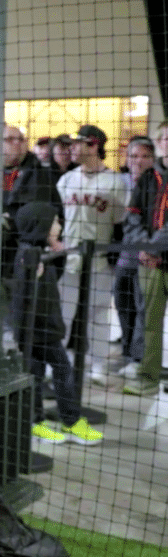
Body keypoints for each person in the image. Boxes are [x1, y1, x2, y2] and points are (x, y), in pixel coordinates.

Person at [12, 203, 103, 444]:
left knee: (38, 374)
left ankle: (37, 422)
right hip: (37, 331)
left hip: (42, 329)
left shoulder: (40, 251)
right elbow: (24, 294)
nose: (59, 226)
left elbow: (53, 281)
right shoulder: (29, 256)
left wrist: (57, 253)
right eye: (55, 222)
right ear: (40, 225)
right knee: (60, 371)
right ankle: (70, 421)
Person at [56, 124, 129, 386]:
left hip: (100, 262)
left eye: (78, 143)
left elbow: (121, 222)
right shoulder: (66, 180)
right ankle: (59, 367)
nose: (72, 148)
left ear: (94, 145)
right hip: (68, 260)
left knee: (97, 317)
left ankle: (98, 367)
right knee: (62, 317)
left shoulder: (115, 183)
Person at [0, 125, 61, 342]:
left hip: (24, 256)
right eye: (9, 139)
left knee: (26, 321)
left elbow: (42, 217)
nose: (17, 143)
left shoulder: (37, 173)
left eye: (20, 139)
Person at [123, 131, 168, 396]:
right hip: (150, 264)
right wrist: (144, 248)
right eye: (164, 137)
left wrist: (154, 247)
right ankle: (148, 377)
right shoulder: (149, 178)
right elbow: (132, 216)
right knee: (149, 321)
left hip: (157, 256)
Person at [114, 136, 156, 380]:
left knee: (143, 309)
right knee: (123, 304)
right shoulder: (118, 182)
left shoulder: (158, 184)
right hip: (122, 256)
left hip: (147, 257)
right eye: (134, 155)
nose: (138, 161)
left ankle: (138, 358)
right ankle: (128, 352)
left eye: (144, 156)